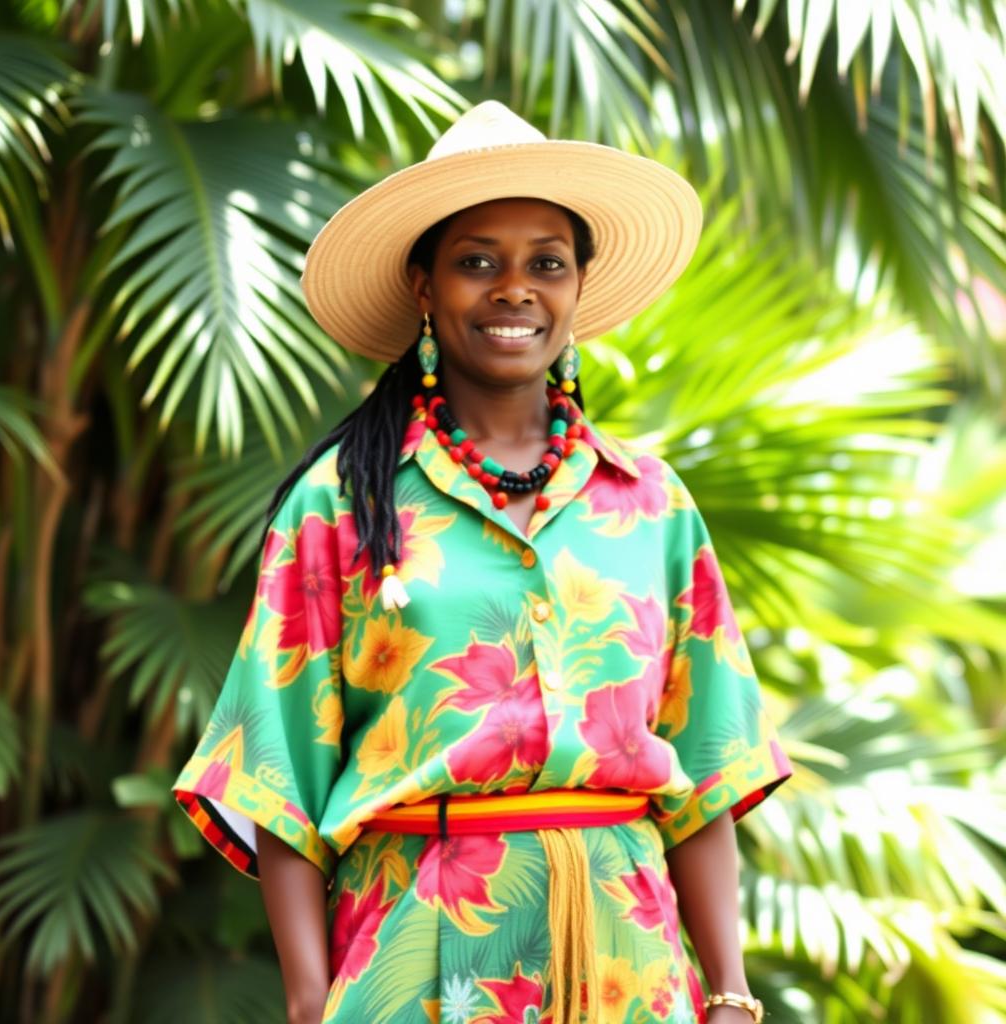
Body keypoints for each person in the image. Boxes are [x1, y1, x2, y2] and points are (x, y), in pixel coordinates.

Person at [172, 101, 792, 1024]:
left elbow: (710, 773)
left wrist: (732, 992)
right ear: (425, 285)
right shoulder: (342, 500)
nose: (515, 288)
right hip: (418, 945)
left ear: (578, 286)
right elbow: (277, 771)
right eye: (477, 262)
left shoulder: (651, 502)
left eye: (546, 262)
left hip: (629, 953)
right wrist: (308, 1002)